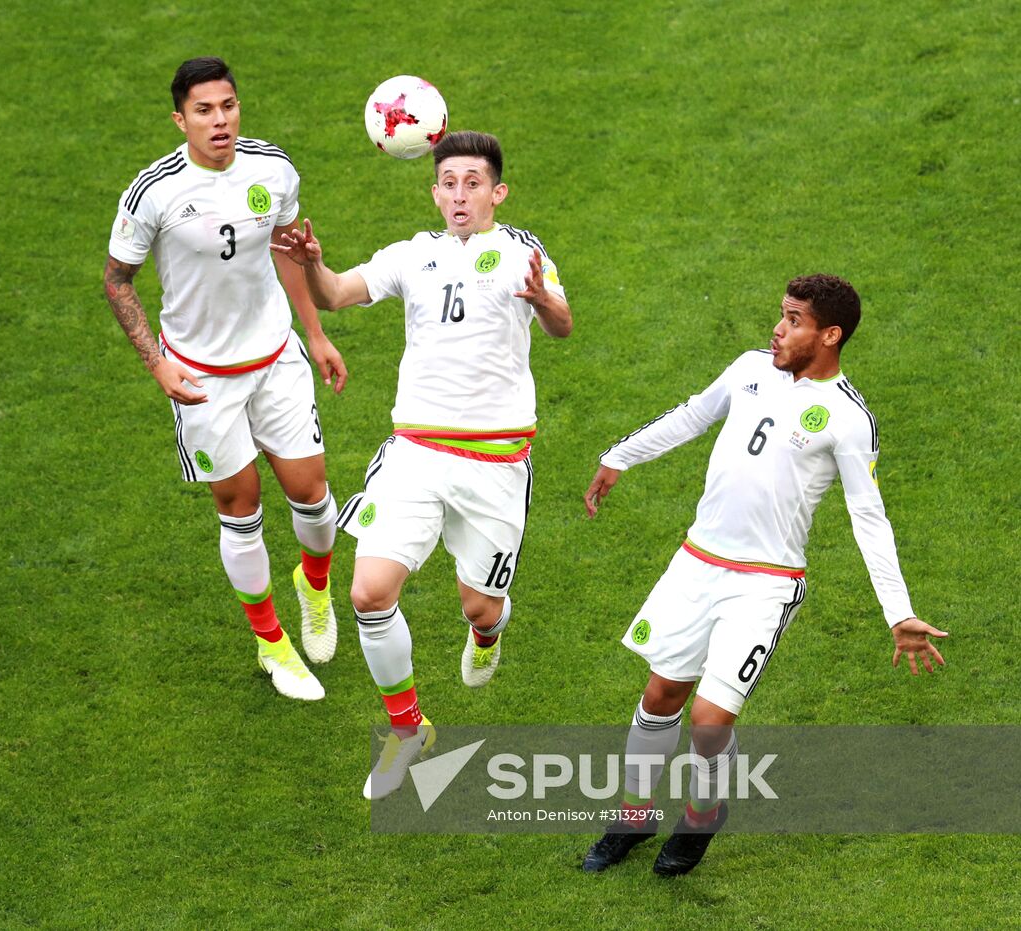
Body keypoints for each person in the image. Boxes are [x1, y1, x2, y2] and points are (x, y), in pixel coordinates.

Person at [580, 274, 947, 876]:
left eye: (795, 320)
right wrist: (621, 455)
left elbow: (869, 518)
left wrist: (898, 612)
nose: (779, 328)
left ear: (830, 335)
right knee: (660, 696)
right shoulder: (750, 367)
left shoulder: (848, 420)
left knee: (708, 721)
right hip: (695, 563)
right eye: (781, 315)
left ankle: (702, 814)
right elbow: (694, 415)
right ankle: (634, 815)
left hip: (765, 582)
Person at [272, 130, 573, 798]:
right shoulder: (412, 255)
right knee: (367, 593)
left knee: (479, 604)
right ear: (434, 190)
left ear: (497, 192)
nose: (460, 195)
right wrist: (316, 264)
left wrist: (544, 300)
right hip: (415, 453)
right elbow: (336, 294)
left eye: (474, 183)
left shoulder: (525, 253)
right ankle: (409, 731)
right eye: (449, 183)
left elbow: (562, 325)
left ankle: (489, 630)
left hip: (495, 466)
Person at [103, 57, 348, 701]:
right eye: (205, 110)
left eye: (229, 106)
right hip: (203, 379)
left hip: (275, 359)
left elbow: (288, 248)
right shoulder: (153, 192)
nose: (220, 121)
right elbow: (117, 280)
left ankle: (313, 586)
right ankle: (273, 644)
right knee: (240, 509)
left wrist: (315, 333)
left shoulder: (274, 168)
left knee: (313, 498)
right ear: (179, 118)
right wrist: (158, 363)